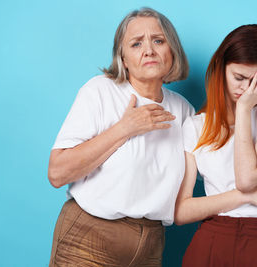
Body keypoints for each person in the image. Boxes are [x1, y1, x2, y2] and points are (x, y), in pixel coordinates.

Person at [47, 7, 194, 266]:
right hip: (89, 238)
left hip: (150, 245)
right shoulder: (100, 91)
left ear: (172, 51)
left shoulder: (183, 110)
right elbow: (57, 173)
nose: (149, 50)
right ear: (123, 59)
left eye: (158, 41)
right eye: (136, 44)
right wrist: (126, 128)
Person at [174, 24, 257, 267]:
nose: (246, 90)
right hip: (211, 241)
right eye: (239, 78)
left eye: (256, 81)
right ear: (221, 69)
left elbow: (246, 178)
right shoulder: (195, 126)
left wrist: (243, 109)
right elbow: (181, 212)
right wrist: (252, 197)